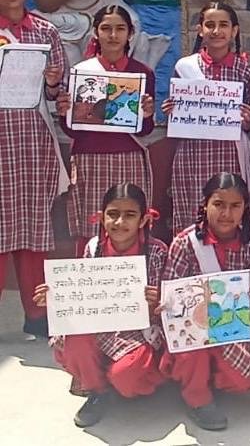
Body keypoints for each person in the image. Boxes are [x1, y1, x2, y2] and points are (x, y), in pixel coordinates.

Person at [34, 183, 167, 427]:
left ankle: (114, 377)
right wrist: (55, 298)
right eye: (112, 214)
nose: (119, 222)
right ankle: (98, 391)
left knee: (128, 380)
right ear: (102, 217)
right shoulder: (93, 247)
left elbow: (168, 308)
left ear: (143, 220)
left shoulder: (157, 251)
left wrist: (157, 301)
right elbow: (82, 295)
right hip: (100, 324)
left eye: (130, 215)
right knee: (74, 341)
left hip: (138, 331)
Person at [160, 172, 250, 431]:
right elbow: (171, 293)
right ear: (204, 205)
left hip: (226, 328)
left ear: (245, 208)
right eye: (218, 204)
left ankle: (206, 378)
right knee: (194, 343)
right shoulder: (184, 243)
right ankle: (196, 397)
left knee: (249, 378)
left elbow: (246, 301)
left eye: (235, 205)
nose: (226, 213)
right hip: (189, 332)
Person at [0, 0, 70, 338]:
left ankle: (37, 314)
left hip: (32, 139)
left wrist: (54, 82)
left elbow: (58, 94)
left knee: (33, 227)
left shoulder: (45, 31)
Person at [55, 5, 156, 255]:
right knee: (90, 225)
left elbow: (144, 130)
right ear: (96, 32)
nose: (113, 35)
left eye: (120, 29)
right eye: (106, 28)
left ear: (130, 34)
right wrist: (65, 113)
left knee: (128, 225)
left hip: (128, 157)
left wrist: (147, 114)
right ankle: (89, 273)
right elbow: (73, 131)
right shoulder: (81, 72)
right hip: (89, 158)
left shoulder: (142, 73)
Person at [162, 2, 250, 232]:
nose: (216, 31)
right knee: (193, 212)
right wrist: (171, 111)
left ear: (234, 31)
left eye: (223, 25)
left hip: (230, 153)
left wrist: (247, 119)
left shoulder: (245, 70)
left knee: (228, 211)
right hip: (193, 153)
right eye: (210, 25)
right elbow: (177, 114)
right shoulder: (184, 66)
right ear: (200, 29)